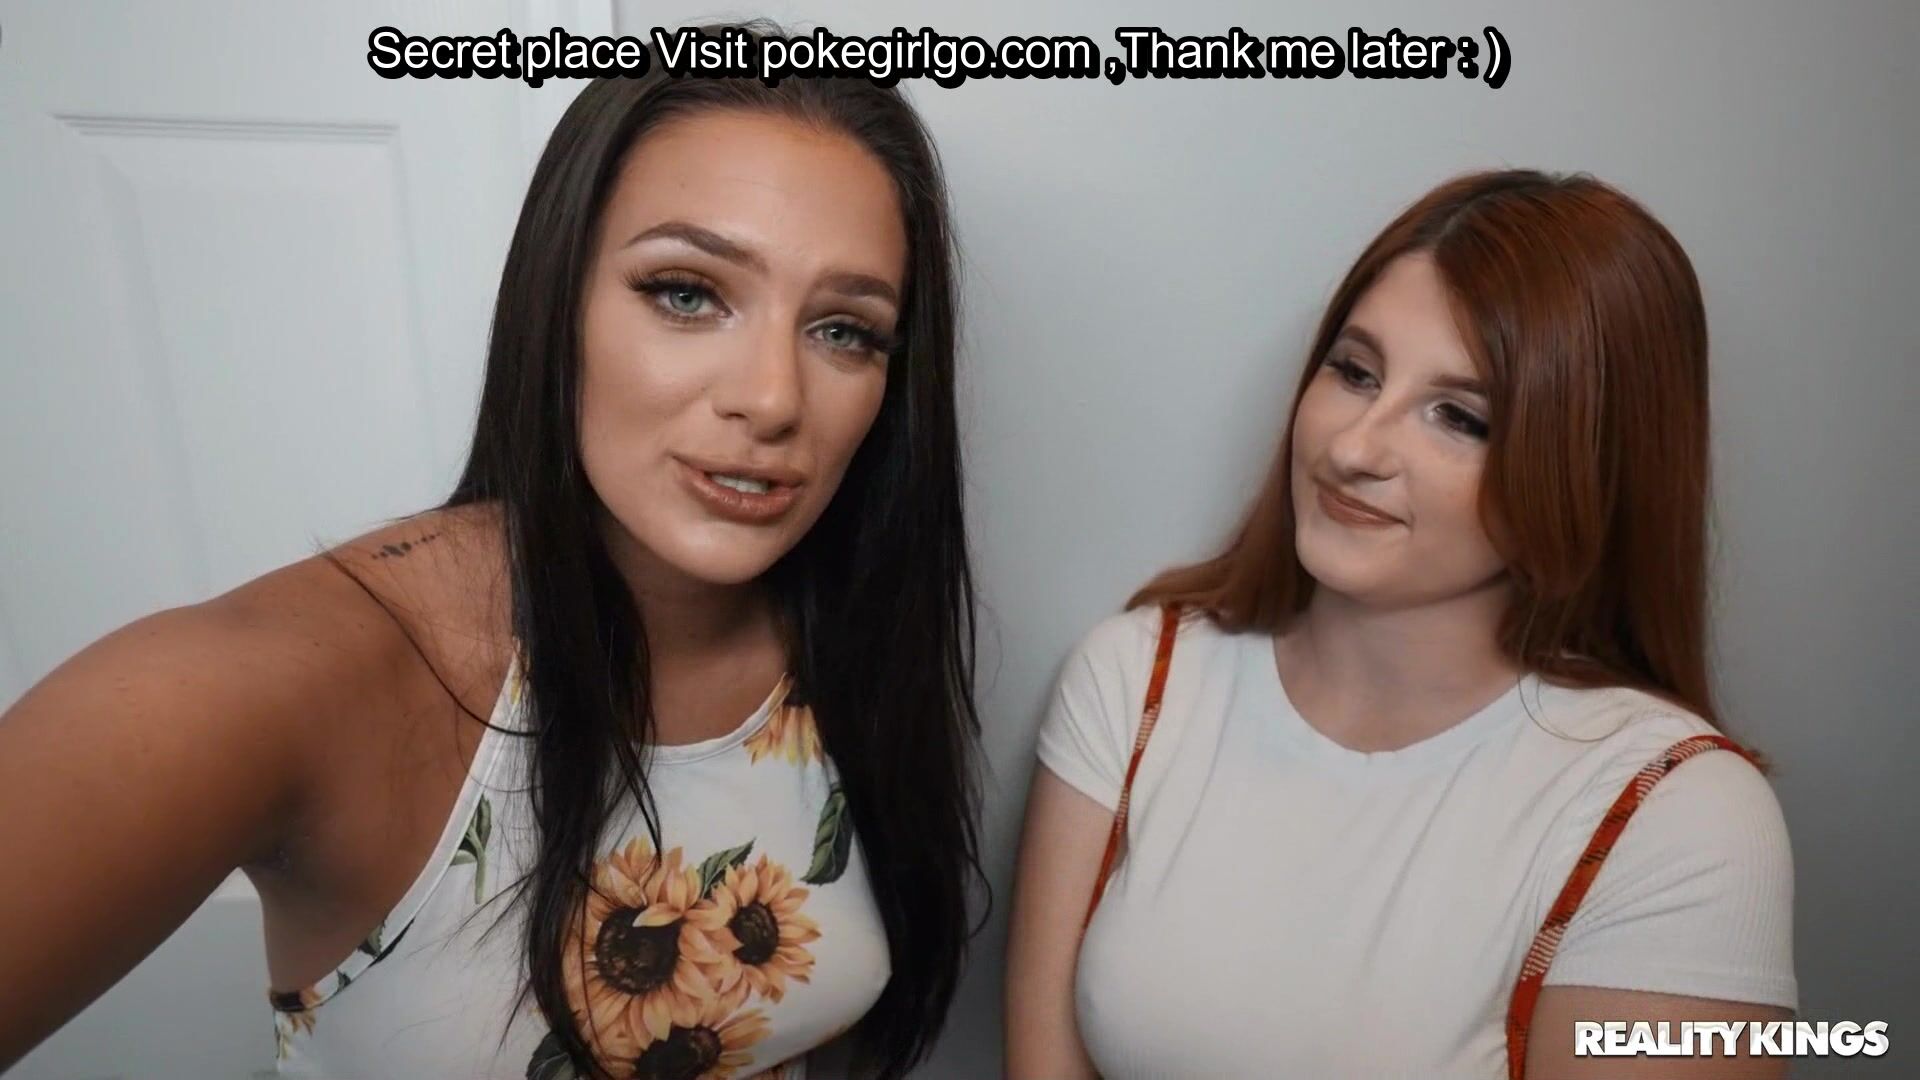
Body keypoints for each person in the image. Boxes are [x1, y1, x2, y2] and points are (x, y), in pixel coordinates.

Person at [0, 25, 983, 1080]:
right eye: (686, 292)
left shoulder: (849, 618)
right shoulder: (284, 685)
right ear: (556, 302)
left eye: (844, 331)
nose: (773, 398)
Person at [1005, 169, 1797, 1079]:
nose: (1354, 448)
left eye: (1459, 417)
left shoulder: (1678, 816)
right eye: (1355, 372)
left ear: (1586, 470)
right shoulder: (1136, 681)